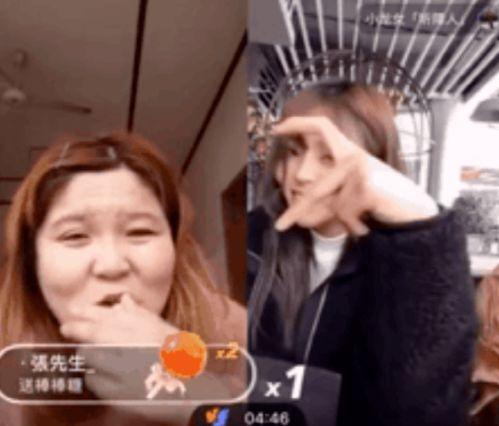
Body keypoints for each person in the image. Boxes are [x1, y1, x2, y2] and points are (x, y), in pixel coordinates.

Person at [247, 83, 477, 426]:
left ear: (376, 168)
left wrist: (424, 230)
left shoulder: (403, 267)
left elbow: (425, 409)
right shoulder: (253, 241)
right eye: (293, 152)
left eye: (329, 158)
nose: (302, 174)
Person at [0, 132, 245, 425]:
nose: (112, 265)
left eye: (140, 231)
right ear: (32, 262)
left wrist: (199, 397)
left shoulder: (235, 331)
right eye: (74, 236)